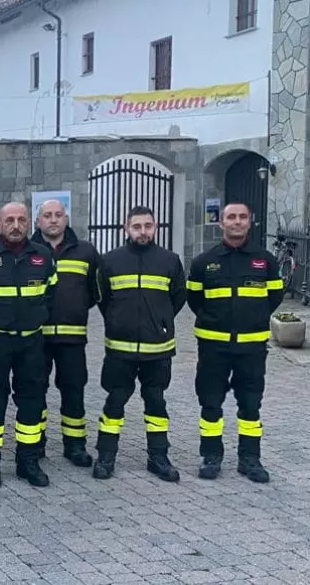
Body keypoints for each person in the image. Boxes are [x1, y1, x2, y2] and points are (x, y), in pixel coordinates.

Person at [186, 202, 283, 482]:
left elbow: (273, 299)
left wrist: (251, 321)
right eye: (231, 217)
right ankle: (211, 456)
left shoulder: (266, 261)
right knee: (210, 403)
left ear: (250, 221)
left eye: (242, 217)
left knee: (250, 404)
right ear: (222, 223)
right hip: (213, 346)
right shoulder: (204, 262)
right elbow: (195, 300)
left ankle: (250, 459)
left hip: (252, 347)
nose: (237, 222)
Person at [0, 202, 58, 488]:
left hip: (31, 343)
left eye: (21, 220)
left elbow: (51, 296)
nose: (15, 225)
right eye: (9, 220)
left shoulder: (43, 256)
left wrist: (35, 319)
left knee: (31, 403)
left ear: (29, 223)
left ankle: (27, 462)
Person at [93, 205, 186, 482]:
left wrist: (161, 322)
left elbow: (178, 298)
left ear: (155, 227)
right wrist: (117, 322)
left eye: (148, 226)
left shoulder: (170, 260)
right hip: (119, 349)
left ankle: (158, 457)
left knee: (156, 403)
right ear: (126, 228)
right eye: (137, 226)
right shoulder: (110, 261)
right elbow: (102, 299)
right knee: (114, 403)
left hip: (157, 349)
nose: (142, 231)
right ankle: (106, 456)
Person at [31, 199, 101, 467]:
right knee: (35, 391)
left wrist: (76, 307)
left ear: (66, 219)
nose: (53, 220)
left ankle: (75, 445)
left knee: (74, 392)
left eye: (58, 215)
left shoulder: (86, 252)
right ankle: (34, 443)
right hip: (36, 338)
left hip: (72, 338)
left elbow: (96, 291)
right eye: (47, 215)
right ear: (38, 222)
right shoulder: (28, 251)